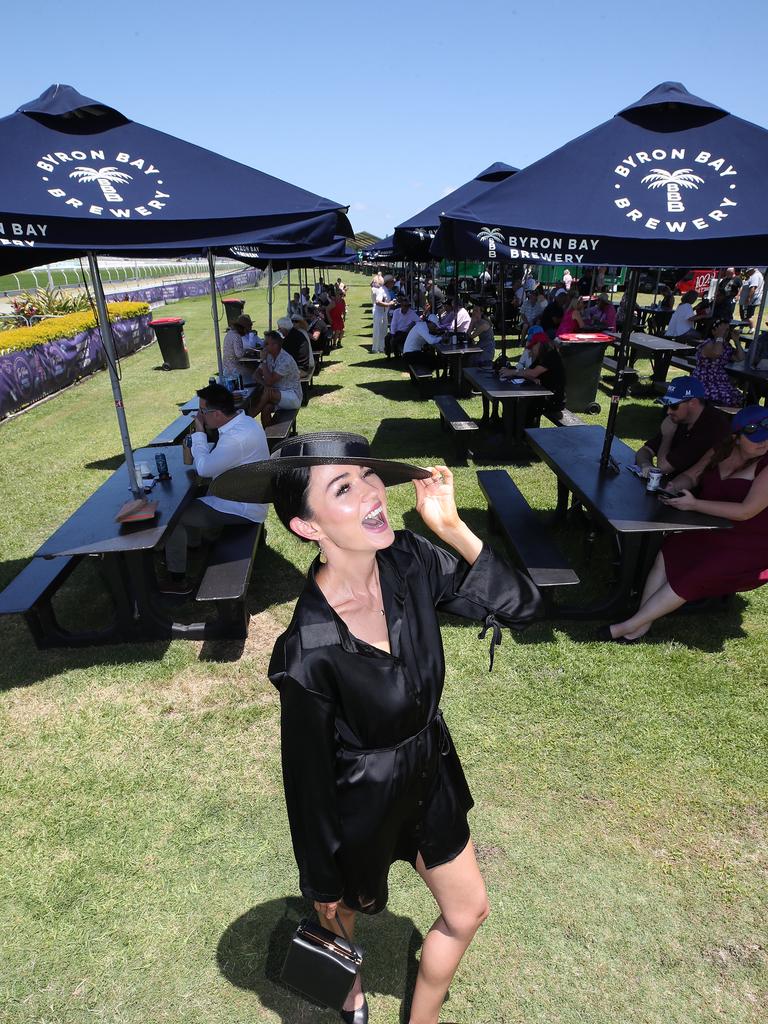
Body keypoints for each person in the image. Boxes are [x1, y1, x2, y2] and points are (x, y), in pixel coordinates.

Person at [229, 432, 542, 1023]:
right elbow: (308, 780)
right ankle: (352, 999)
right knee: (339, 914)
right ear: (308, 527)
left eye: (369, 475)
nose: (372, 492)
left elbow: (521, 608)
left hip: (429, 773)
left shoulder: (410, 561)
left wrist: (452, 528)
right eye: (343, 488)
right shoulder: (309, 649)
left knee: (468, 909)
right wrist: (320, 878)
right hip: (358, 802)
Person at [604, 406, 768, 642]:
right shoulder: (721, 451)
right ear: (736, 437)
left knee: (699, 573)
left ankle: (628, 625)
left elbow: (746, 511)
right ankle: (643, 622)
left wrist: (694, 505)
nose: (764, 443)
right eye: (756, 438)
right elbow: (691, 476)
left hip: (750, 542)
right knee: (669, 551)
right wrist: (672, 487)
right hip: (712, 527)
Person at [161, 384, 269, 593]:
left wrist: (199, 433)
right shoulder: (244, 421)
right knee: (193, 499)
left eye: (202, 411)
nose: (199, 415)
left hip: (243, 508)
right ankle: (193, 545)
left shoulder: (236, 438)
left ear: (217, 414)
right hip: (247, 496)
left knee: (174, 518)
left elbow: (204, 468)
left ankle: (178, 580)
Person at [634, 376, 731, 477]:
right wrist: (646, 465)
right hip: (676, 484)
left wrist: (667, 437)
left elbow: (663, 468)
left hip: (696, 489)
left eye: (674, 406)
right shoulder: (680, 418)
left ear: (693, 403)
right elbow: (645, 450)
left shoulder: (712, 426)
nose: (668, 411)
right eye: (667, 405)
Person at [500, 326, 565, 421]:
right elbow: (529, 372)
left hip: (553, 400)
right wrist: (532, 377)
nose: (531, 350)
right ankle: (514, 430)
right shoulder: (542, 356)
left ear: (539, 344)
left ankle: (520, 432)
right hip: (543, 394)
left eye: (533, 347)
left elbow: (532, 372)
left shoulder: (551, 356)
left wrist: (513, 372)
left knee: (522, 404)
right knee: (514, 402)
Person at [251, 330, 303, 424]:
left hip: (293, 396)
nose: (263, 346)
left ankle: (250, 417)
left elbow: (270, 381)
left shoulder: (285, 359)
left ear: (275, 345)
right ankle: (269, 437)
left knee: (267, 393)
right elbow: (256, 375)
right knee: (265, 409)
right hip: (278, 394)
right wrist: (265, 385)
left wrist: (263, 361)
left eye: (266, 343)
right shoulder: (269, 356)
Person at [694, 319, 745, 408]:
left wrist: (737, 341)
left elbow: (740, 358)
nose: (725, 333)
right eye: (723, 330)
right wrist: (719, 336)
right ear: (713, 331)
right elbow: (716, 353)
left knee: (737, 396)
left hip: (719, 379)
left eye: (727, 330)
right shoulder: (708, 344)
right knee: (722, 396)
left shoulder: (726, 346)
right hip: (705, 378)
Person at [222, 314, 255, 379]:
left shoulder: (230, 333)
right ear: (243, 328)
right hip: (233, 368)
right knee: (254, 372)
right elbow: (239, 354)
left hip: (226, 366)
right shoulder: (236, 336)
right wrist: (247, 351)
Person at [372, 274, 396, 354]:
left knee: (383, 331)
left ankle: (382, 347)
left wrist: (390, 303)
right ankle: (375, 348)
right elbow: (378, 302)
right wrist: (389, 304)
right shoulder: (382, 290)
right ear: (388, 282)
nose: (393, 284)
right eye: (392, 282)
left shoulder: (386, 290)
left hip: (384, 313)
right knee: (378, 330)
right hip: (379, 312)